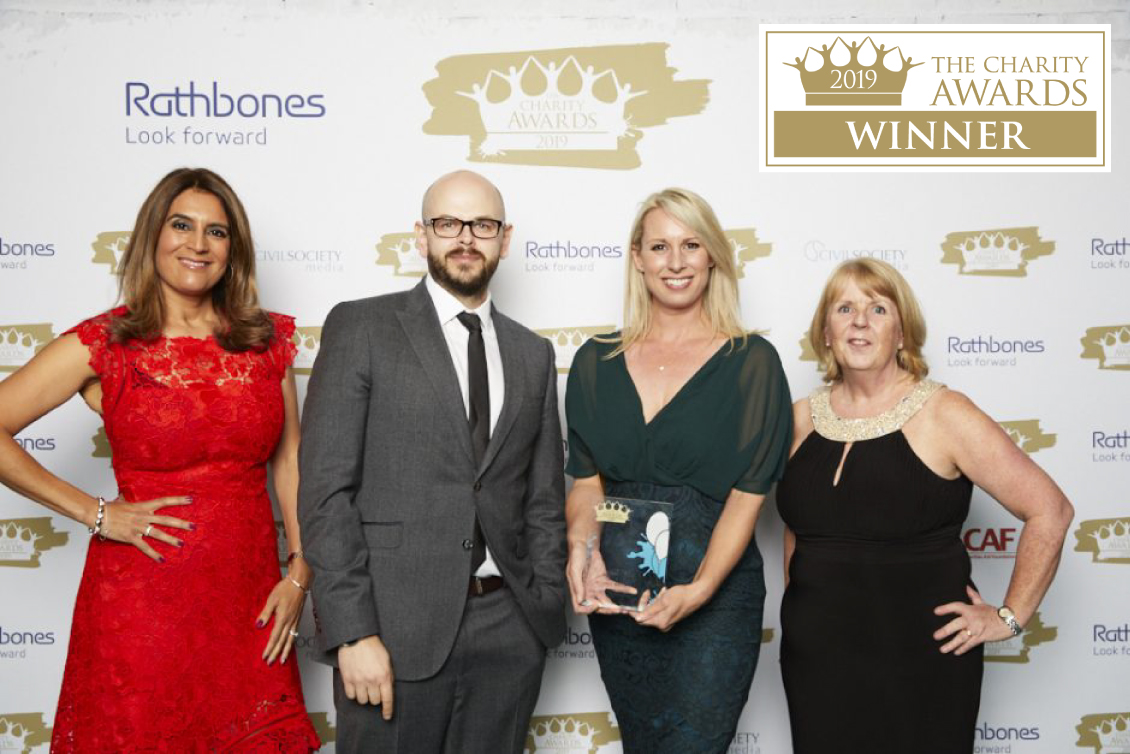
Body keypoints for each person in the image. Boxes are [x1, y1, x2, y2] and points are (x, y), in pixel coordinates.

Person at [0, 168, 320, 751]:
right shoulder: (106, 342)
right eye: (182, 225)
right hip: (139, 606)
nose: (198, 244)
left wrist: (299, 571)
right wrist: (97, 512)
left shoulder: (265, 341)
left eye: (216, 232)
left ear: (234, 250)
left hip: (249, 603)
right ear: (153, 236)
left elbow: (289, 461)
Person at [298, 170, 566, 754]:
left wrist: (539, 607)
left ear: (505, 238)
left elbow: (543, 500)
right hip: (390, 632)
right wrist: (353, 632)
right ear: (421, 236)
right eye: (448, 224)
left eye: (483, 225)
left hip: (508, 632)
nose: (465, 238)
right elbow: (324, 493)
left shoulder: (533, 354)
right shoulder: (362, 327)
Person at [777, 258, 1074, 753]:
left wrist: (1009, 616)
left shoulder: (945, 412)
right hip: (817, 661)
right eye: (844, 307)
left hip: (922, 659)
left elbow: (1051, 510)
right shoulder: (798, 420)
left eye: (877, 308)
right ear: (825, 332)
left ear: (901, 333)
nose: (859, 321)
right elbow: (798, 530)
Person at [563, 188, 792, 753]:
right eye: (660, 246)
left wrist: (701, 589)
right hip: (622, 591)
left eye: (691, 244)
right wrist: (581, 552)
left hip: (714, 599)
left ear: (712, 255)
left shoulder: (751, 363)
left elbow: (748, 496)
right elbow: (588, 483)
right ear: (637, 258)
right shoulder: (596, 360)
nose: (677, 261)